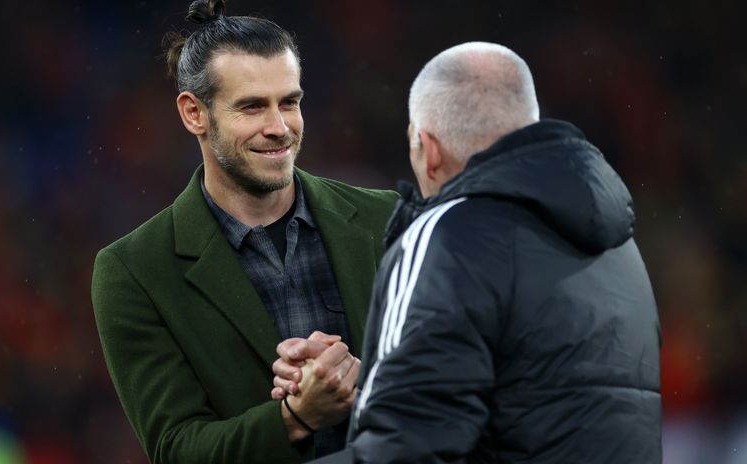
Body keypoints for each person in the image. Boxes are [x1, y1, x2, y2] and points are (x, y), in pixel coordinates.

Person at [273, 42, 662, 463]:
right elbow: (534, 404)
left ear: (428, 149)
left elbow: (403, 452)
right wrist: (376, 380)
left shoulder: (445, 233)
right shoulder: (619, 248)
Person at [90, 1, 397, 462]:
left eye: (289, 102)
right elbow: (177, 450)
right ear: (194, 113)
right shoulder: (135, 271)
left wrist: (362, 377)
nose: (279, 127)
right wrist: (295, 416)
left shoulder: (387, 219)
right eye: (252, 107)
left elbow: (453, 379)